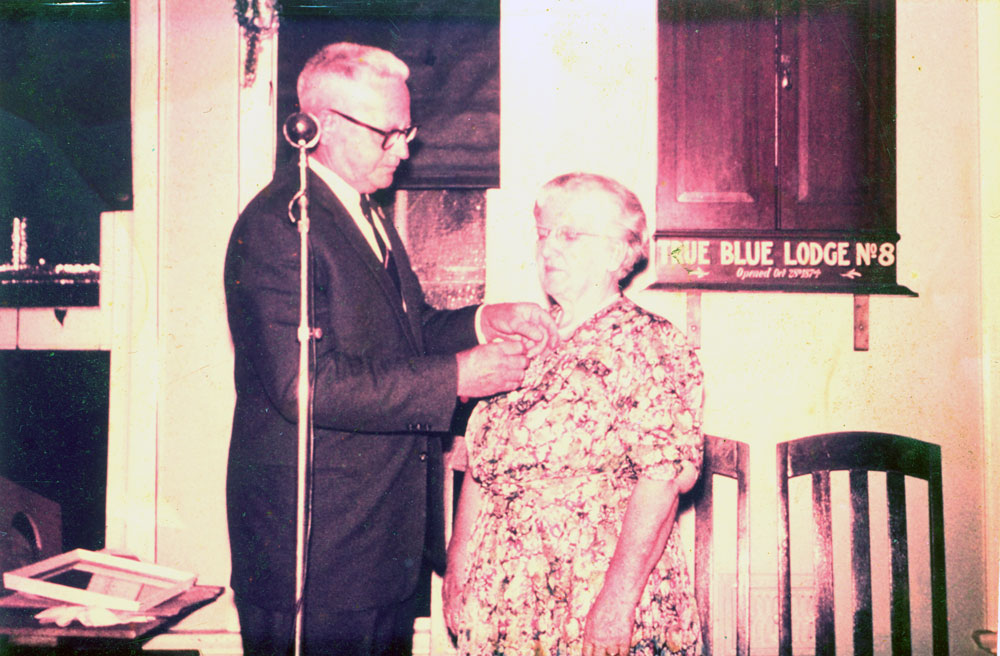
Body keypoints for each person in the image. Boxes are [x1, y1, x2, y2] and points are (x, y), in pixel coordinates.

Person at [223, 42, 558, 656]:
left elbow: (408, 335)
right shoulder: (280, 225)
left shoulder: (364, 214)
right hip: (316, 558)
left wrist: (484, 322)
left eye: (407, 131)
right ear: (316, 127)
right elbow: (306, 384)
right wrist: (456, 377)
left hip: (379, 547)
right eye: (388, 134)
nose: (404, 149)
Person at [443, 172, 705, 656]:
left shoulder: (649, 343)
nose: (548, 248)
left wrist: (616, 604)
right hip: (503, 595)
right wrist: (458, 562)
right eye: (543, 233)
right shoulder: (525, 342)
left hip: (593, 595)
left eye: (569, 234)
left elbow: (663, 480)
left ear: (617, 253)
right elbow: (481, 465)